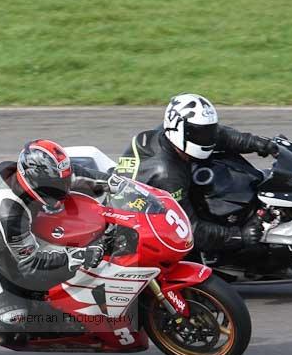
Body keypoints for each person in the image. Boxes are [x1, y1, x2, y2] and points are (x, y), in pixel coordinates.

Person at [0, 139, 107, 344]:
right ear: (35, 181)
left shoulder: (19, 173)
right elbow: (32, 264)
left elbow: (73, 174)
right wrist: (79, 256)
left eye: (62, 181)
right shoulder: (10, 214)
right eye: (57, 185)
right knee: (12, 319)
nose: (63, 189)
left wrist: (111, 181)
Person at [115, 93, 278, 250]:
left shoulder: (170, 133)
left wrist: (257, 143)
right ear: (179, 130)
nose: (207, 138)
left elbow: (220, 135)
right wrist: (238, 236)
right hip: (142, 230)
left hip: (154, 195)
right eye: (200, 133)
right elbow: (189, 230)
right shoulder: (168, 174)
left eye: (208, 131)